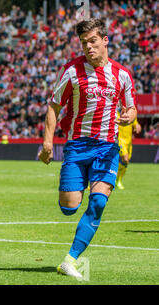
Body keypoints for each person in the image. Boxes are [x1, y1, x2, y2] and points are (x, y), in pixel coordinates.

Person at [38, 18, 137, 278]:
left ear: (105, 41)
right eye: (84, 43)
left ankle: (69, 261)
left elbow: (132, 107)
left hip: (107, 148)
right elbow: (54, 106)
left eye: (93, 41)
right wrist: (47, 142)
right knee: (69, 207)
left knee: (98, 203)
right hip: (77, 146)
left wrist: (129, 116)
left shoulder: (122, 74)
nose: (88, 47)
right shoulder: (71, 71)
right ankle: (75, 185)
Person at [116, 116, 141, 189]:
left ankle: (118, 179)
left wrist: (137, 125)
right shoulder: (115, 113)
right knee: (125, 158)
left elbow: (135, 123)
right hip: (120, 140)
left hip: (129, 142)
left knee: (126, 162)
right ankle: (116, 179)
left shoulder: (130, 113)